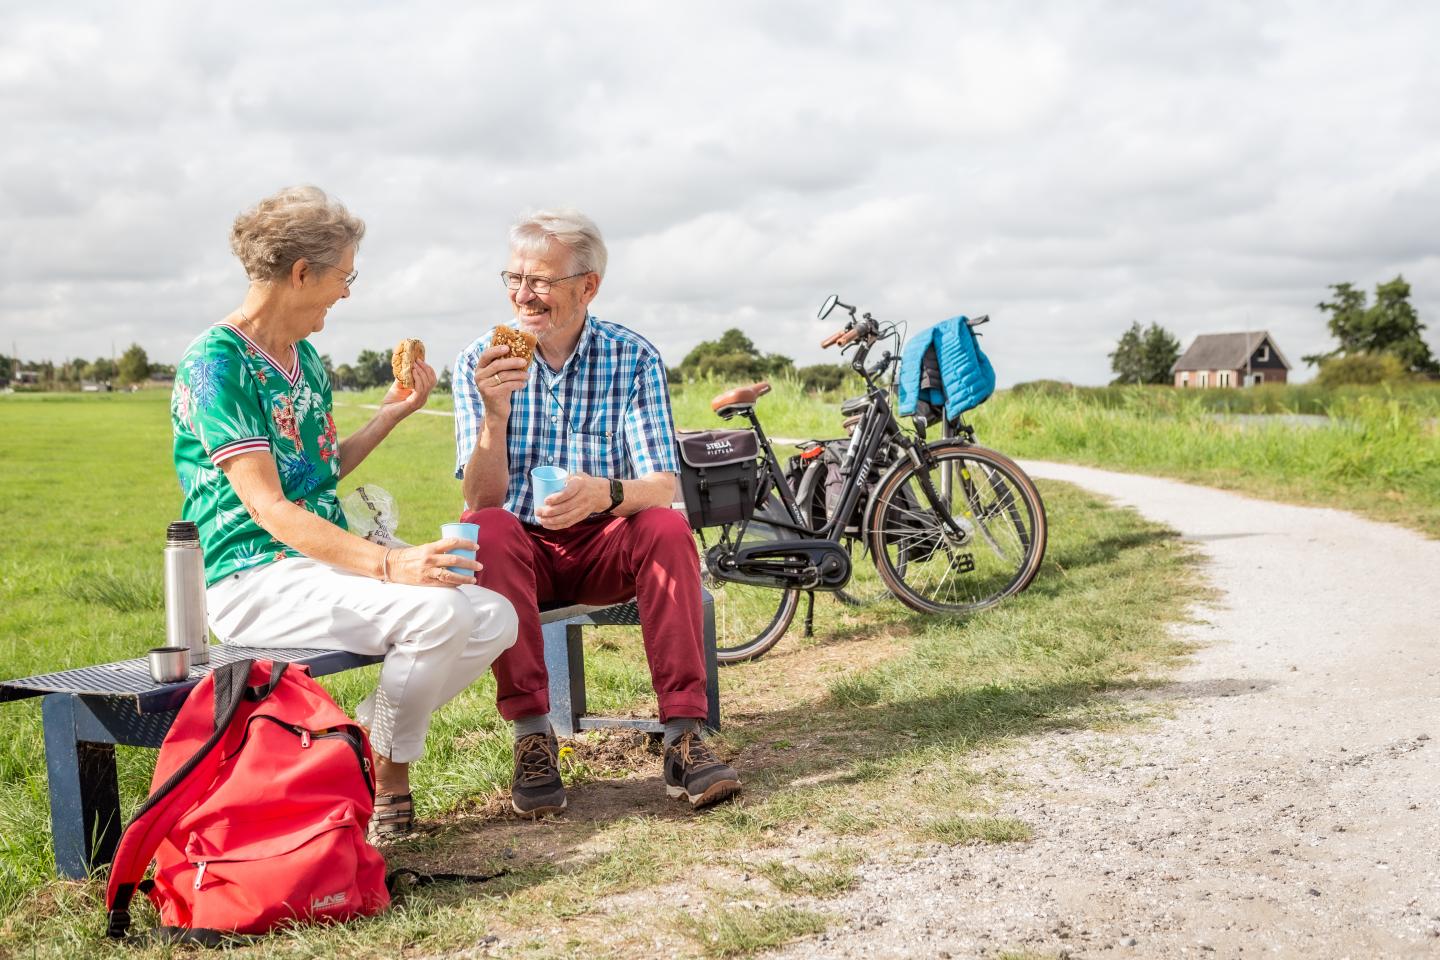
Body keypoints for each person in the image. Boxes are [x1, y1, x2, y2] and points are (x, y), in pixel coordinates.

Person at [171, 185, 518, 838]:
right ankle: (386, 781)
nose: (347, 292)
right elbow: (269, 506)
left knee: (495, 614)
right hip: (254, 578)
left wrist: (395, 411)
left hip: (320, 565)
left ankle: (356, 740)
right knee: (440, 609)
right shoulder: (215, 365)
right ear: (301, 272)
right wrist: (391, 563)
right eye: (344, 276)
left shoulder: (303, 357)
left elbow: (320, 475)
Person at [453, 209, 740, 816]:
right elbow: (478, 501)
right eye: (514, 279)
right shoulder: (479, 361)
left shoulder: (630, 357)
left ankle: (684, 736)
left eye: (541, 282)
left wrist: (607, 493)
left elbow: (661, 486)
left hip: (604, 544)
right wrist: (494, 415)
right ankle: (533, 735)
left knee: (664, 527)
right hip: (522, 553)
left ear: (588, 286)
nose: (523, 295)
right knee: (487, 527)